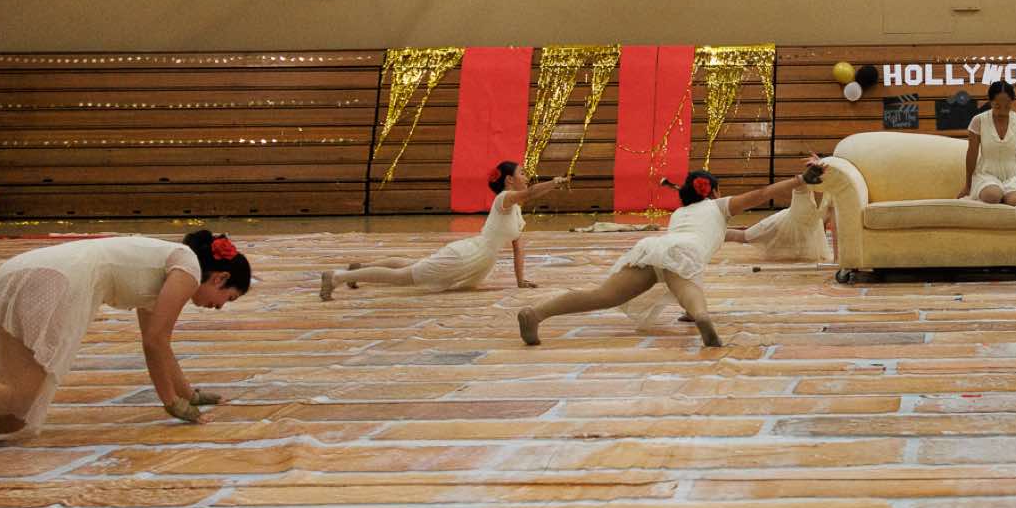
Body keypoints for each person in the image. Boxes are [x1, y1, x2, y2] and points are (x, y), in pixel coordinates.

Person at [517, 163, 822, 349]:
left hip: (653, 248)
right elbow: (761, 194)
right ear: (714, 192)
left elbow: (734, 235)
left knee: (602, 295)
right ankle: (700, 315)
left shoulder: (681, 214)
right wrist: (800, 181)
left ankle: (537, 313)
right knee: (689, 287)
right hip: (682, 252)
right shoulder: (718, 207)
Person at [0, 229, 250, 437]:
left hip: (21, 270)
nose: (219, 306)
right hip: (50, 280)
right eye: (228, 298)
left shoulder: (167, 266)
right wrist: (173, 403)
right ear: (220, 278)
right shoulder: (188, 268)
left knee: (9, 419)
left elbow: (158, 344)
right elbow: (155, 342)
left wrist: (188, 395)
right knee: (17, 398)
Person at [321, 160, 567, 300]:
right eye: (522, 173)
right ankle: (337, 277)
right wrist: (554, 183)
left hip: (478, 260)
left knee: (410, 266)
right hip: (467, 255)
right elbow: (531, 193)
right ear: (509, 180)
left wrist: (520, 280)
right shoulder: (504, 198)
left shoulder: (516, 212)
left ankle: (358, 270)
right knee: (404, 277)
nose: (526, 176)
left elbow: (518, 249)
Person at [725, 178, 834, 262]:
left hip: (807, 231)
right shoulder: (801, 187)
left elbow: (826, 220)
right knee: (743, 236)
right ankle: (716, 233)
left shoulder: (830, 194)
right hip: (780, 225)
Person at [962, 81, 1016, 205]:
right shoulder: (978, 121)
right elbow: (972, 154)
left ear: (1012, 102)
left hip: (1013, 175)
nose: (1002, 111)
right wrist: (967, 186)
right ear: (990, 102)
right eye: (997, 106)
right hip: (986, 174)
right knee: (993, 195)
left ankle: (1008, 197)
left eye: (1007, 106)